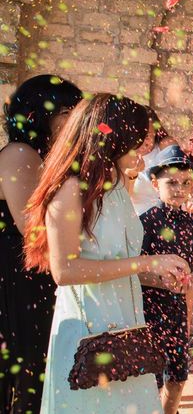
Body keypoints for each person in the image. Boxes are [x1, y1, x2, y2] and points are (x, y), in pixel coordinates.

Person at [22, 93, 190, 413]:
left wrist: (159, 277)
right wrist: (148, 261)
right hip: (88, 342)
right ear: (114, 140)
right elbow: (65, 271)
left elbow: (116, 262)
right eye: (138, 141)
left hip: (127, 336)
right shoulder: (71, 189)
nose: (144, 150)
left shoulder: (115, 186)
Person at [0, 75, 82, 414]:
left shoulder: (40, 157)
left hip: (30, 282)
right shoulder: (20, 153)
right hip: (19, 286)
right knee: (27, 375)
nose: (76, 119)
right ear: (39, 113)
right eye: (68, 110)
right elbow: (33, 232)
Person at [139, 145, 193, 414]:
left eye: (185, 183)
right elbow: (133, 271)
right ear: (155, 183)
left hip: (176, 310)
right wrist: (160, 281)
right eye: (171, 182)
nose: (179, 188)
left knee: (178, 377)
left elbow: (187, 274)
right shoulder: (144, 222)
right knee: (151, 378)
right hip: (148, 309)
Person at [133, 108, 178, 215]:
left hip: (161, 218)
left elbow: (179, 177)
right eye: (138, 134)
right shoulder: (124, 155)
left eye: (147, 135)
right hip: (133, 219)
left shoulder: (164, 149)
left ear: (156, 132)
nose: (143, 140)